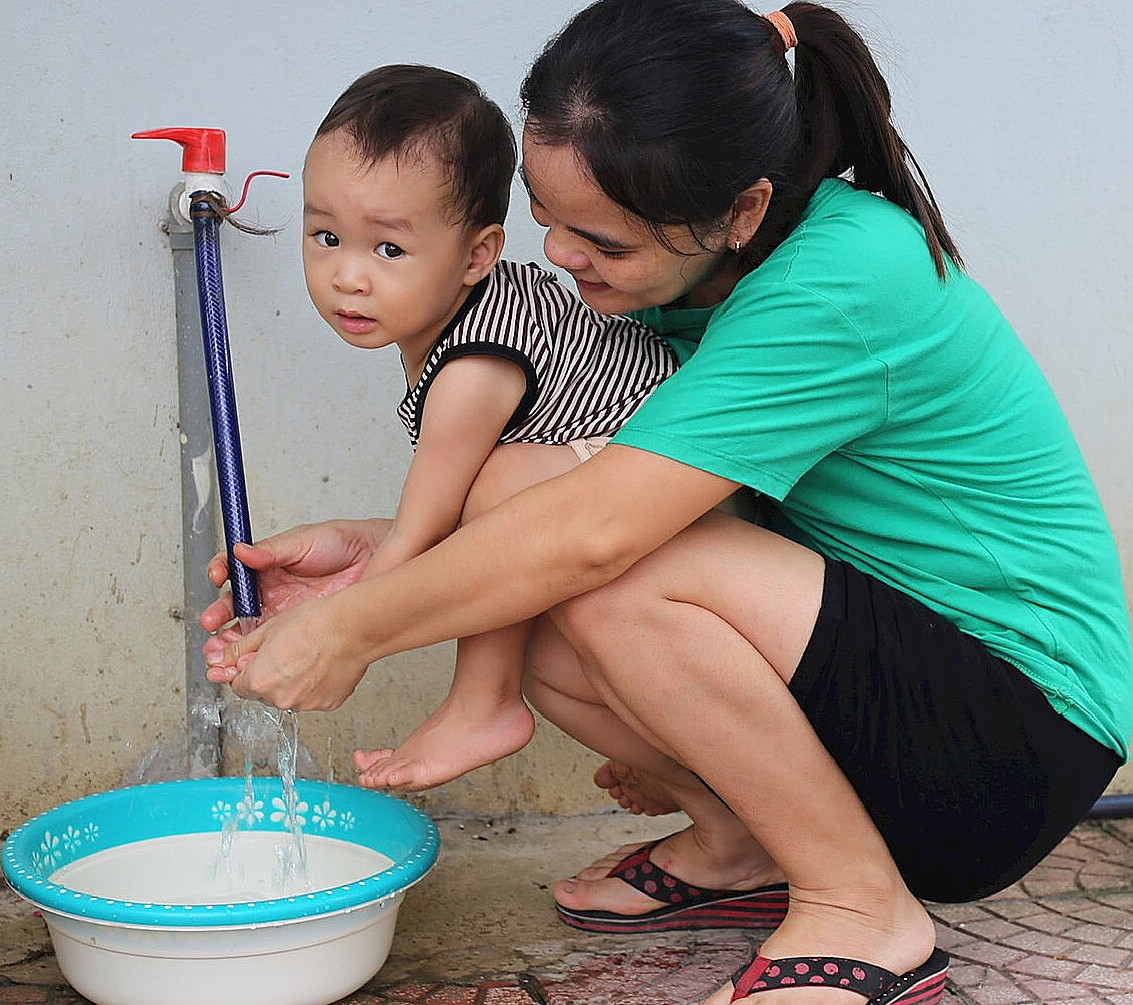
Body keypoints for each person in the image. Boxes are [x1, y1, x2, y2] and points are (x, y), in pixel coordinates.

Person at [203, 3, 1133, 1004]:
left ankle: (861, 902)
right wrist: (371, 550)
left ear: (739, 211)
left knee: (581, 560)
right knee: (528, 572)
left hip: (1008, 736)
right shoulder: (677, 277)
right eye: (545, 218)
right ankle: (742, 842)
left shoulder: (844, 275)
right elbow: (588, 520)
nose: (559, 256)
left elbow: (599, 532)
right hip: (878, 685)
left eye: (601, 238)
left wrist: (355, 629)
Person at [291, 64, 678, 791]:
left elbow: (425, 530)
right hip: (623, 495)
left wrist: (328, 635)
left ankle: (483, 701)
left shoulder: (473, 366)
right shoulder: (469, 317)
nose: (347, 275)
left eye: (387, 249)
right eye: (324, 234)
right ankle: (718, 817)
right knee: (556, 659)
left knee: (502, 487)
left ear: (477, 254)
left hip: (673, 478)